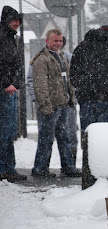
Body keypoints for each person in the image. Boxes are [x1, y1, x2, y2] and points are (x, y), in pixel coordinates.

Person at [30, 29, 80, 178]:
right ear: (47, 42)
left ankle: (68, 167)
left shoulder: (62, 57)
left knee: (64, 137)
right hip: (50, 106)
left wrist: (71, 99)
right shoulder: (41, 60)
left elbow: (67, 81)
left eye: (60, 41)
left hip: (63, 105)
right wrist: (45, 105)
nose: (58, 44)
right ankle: (40, 168)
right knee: (46, 139)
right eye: (55, 41)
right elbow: (40, 85)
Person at [70, 25, 108, 135]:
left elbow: (73, 73)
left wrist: (83, 86)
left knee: (88, 134)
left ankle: (88, 151)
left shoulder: (82, 46)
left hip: (87, 97)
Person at [0, 6, 27, 182]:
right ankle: (4, 168)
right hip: (5, 90)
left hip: (11, 90)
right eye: (14, 20)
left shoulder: (11, 38)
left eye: (18, 20)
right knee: (5, 131)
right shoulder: (3, 38)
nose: (17, 23)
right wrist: (6, 83)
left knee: (9, 130)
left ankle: (8, 167)